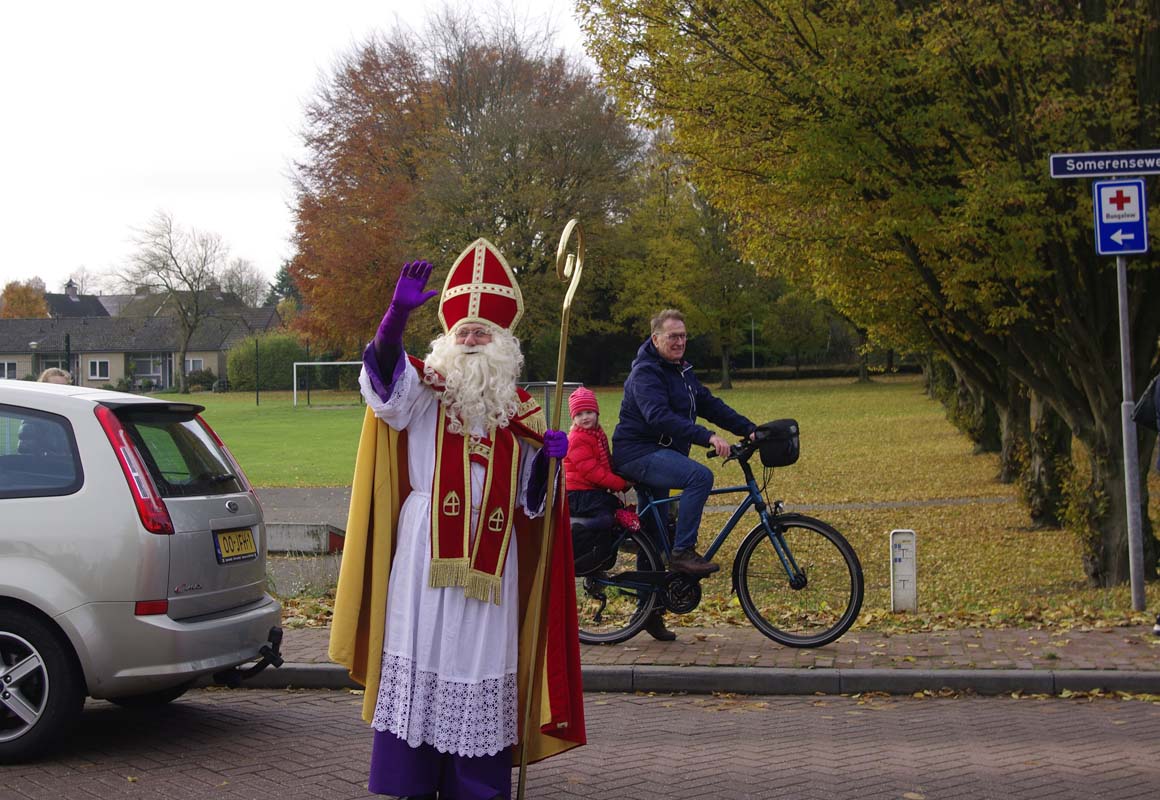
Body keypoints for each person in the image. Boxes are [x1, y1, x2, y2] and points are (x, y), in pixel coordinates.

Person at [329, 241, 585, 800]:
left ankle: (476, 788)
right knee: (421, 650)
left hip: (492, 566)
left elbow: (531, 505)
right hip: (424, 551)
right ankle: (413, 783)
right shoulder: (424, 391)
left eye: (481, 334)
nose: (470, 341)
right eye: (463, 332)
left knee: (479, 659)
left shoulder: (521, 412)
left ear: (503, 345)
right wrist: (394, 319)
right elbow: (384, 384)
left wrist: (549, 462)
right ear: (447, 339)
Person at [612, 309, 756, 582]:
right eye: (673, 336)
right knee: (699, 477)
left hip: (660, 452)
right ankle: (683, 552)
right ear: (655, 339)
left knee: (653, 534)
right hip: (637, 453)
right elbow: (659, 416)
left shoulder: (681, 370)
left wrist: (749, 429)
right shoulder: (646, 373)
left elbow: (710, 405)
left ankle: (649, 603)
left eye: (684, 336)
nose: (680, 342)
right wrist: (707, 437)